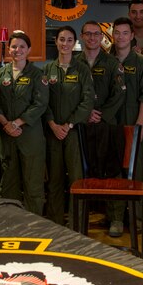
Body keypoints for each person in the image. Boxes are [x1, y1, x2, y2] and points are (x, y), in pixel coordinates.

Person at [0, 30, 49, 215]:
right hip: (7, 136)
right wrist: (5, 123)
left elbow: (40, 104)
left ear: (29, 49)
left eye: (22, 46)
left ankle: (34, 223)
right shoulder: (1, 73)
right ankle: (9, 221)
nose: (18, 50)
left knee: (33, 183)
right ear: (8, 49)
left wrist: (17, 123)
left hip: (30, 136)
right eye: (14, 46)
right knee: (8, 181)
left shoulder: (38, 75)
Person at [42, 26, 95, 226]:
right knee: (54, 179)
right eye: (62, 39)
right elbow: (43, 101)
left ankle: (77, 221)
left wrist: (69, 124)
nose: (65, 44)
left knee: (76, 178)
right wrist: (53, 124)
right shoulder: (47, 70)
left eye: (69, 40)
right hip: (53, 131)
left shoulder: (81, 69)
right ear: (56, 42)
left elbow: (87, 101)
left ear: (75, 43)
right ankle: (54, 221)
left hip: (74, 131)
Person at [74, 21, 124, 230]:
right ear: (82, 37)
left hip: (107, 126)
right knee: (86, 171)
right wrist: (85, 115)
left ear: (103, 37)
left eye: (96, 34)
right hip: (83, 126)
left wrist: (101, 116)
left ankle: (116, 219)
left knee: (111, 171)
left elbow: (120, 92)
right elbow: (70, 95)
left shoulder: (112, 63)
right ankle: (85, 217)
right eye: (88, 34)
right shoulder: (75, 62)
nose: (92, 38)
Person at [109, 17, 143, 237]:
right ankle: (116, 218)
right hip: (112, 125)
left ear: (132, 36)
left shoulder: (142, 63)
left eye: (125, 33)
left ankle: (137, 219)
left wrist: (140, 122)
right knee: (115, 170)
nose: (121, 37)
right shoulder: (106, 61)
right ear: (112, 35)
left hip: (135, 123)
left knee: (137, 172)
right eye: (117, 33)